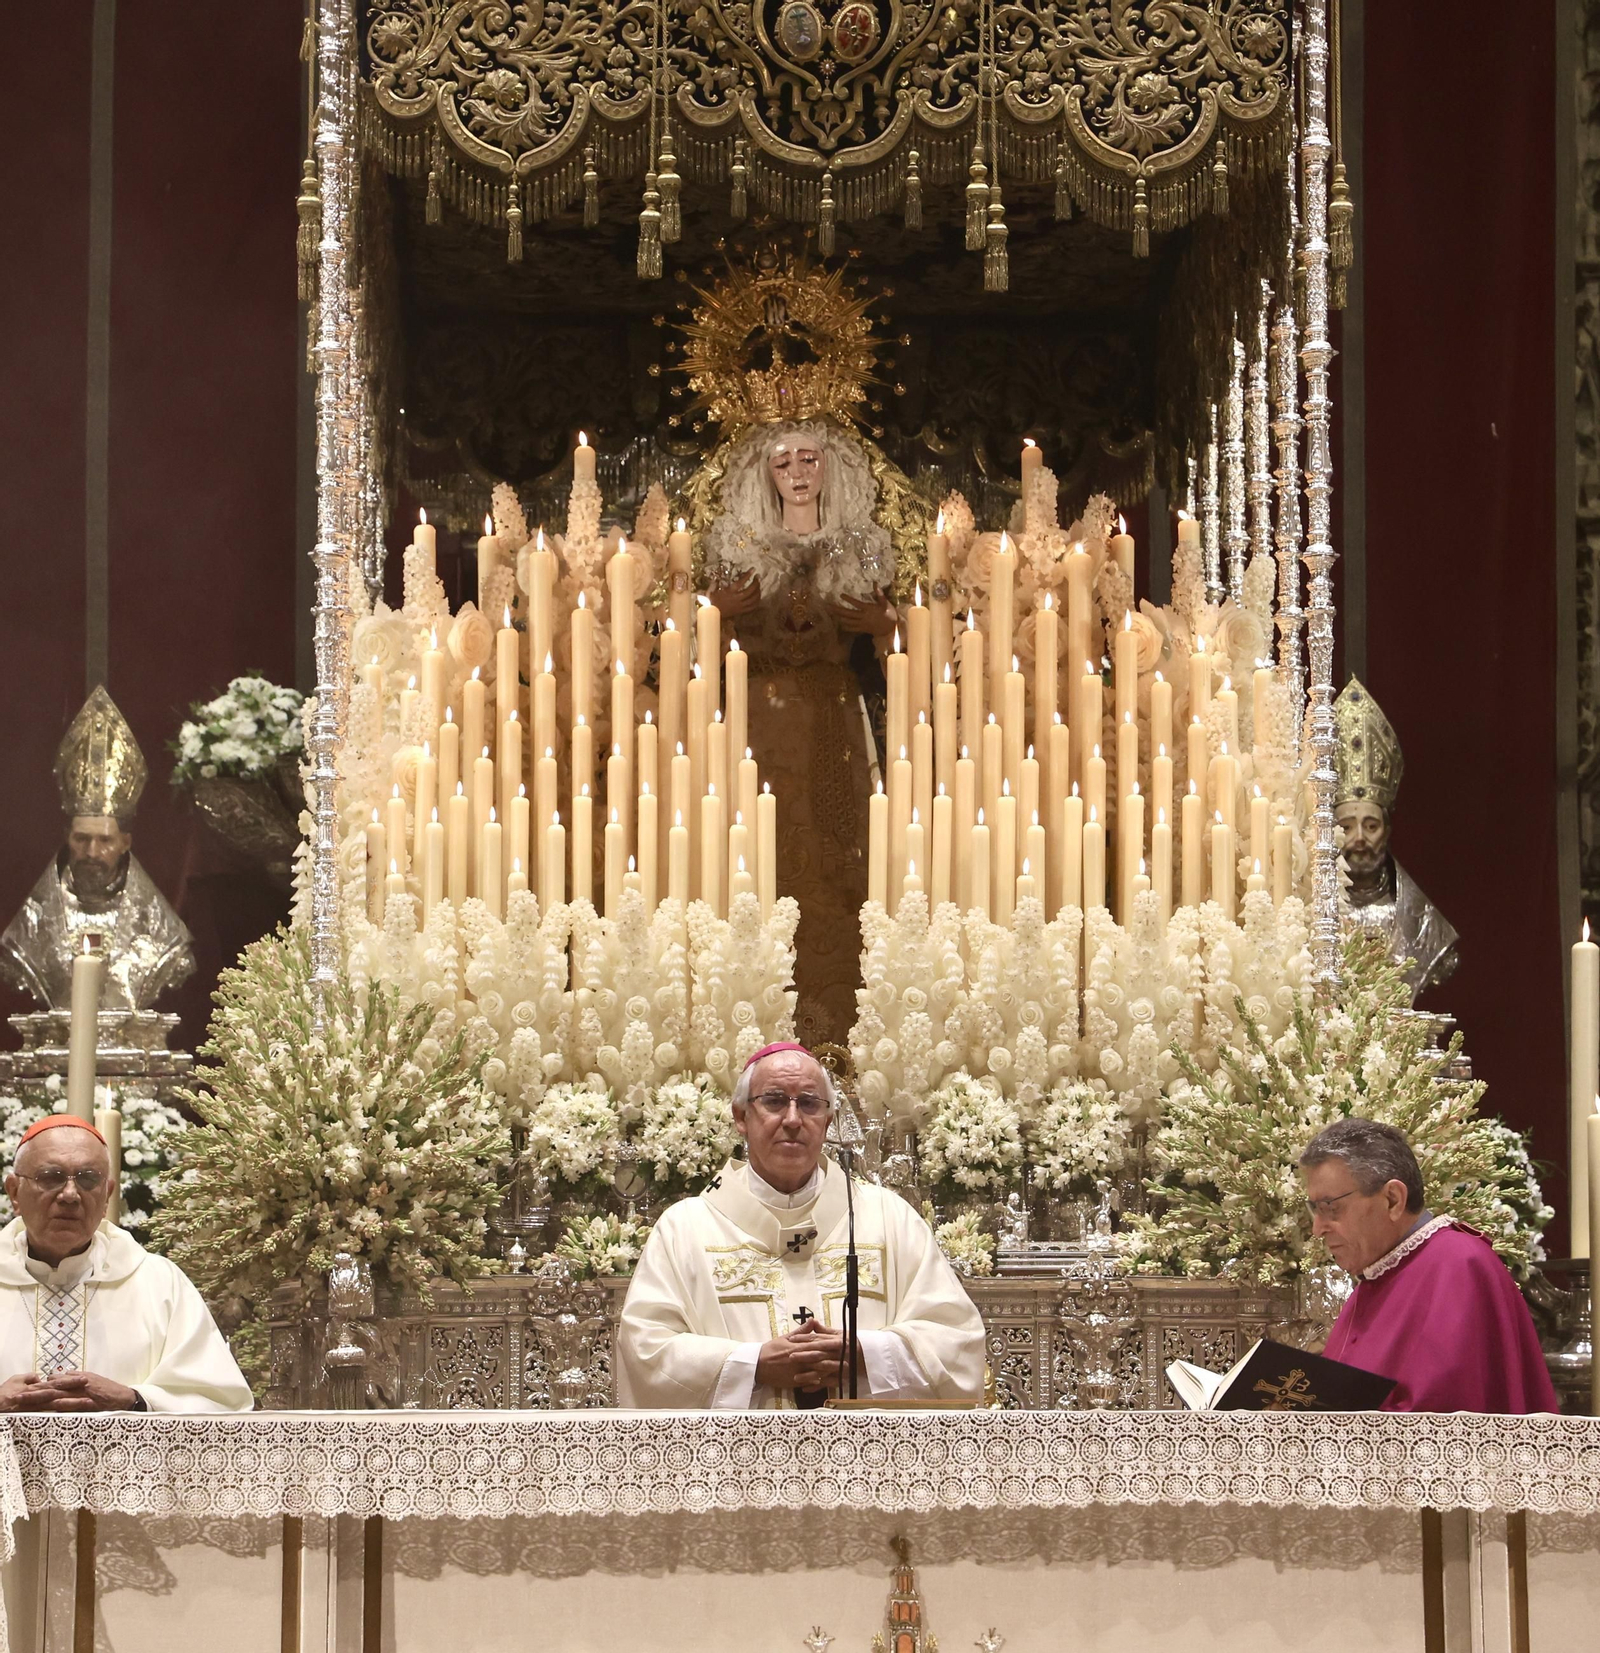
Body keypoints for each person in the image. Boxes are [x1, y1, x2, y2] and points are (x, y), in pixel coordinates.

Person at [618, 1042, 986, 1408]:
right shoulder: (685, 1229)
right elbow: (645, 1350)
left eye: (809, 1103)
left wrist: (865, 1354)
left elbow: (958, 1341)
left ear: (827, 1121)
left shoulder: (889, 1218)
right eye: (774, 1101)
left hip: (867, 1459)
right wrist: (754, 1365)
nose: (793, 1119)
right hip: (737, 1461)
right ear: (741, 1117)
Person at [1300, 1118, 1556, 1413]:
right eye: (1314, 1210)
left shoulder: (1458, 1265)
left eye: (1331, 1208)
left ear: (1393, 1200)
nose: (1318, 1228)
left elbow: (1443, 1420)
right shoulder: (1381, 1272)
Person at [0, 1116, 251, 1412]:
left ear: (107, 1195)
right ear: (15, 1192)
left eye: (88, 1179)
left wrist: (135, 1400)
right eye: (51, 1177)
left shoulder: (159, 1284)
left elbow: (222, 1404)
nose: (70, 1194)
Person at [0, 686, 194, 1012]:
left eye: (105, 840)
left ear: (125, 843)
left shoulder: (162, 930)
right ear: (67, 838)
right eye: (81, 839)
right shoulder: (31, 925)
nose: (91, 851)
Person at [1333, 677, 1457, 1000]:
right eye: (1347, 827)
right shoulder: (1305, 917)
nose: (1358, 838)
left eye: (1370, 825)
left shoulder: (1426, 924)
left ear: (1386, 830)